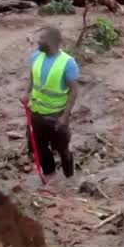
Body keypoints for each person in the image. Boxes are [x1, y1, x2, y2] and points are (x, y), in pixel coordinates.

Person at [23, 27, 80, 179]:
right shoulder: (36, 56)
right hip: (36, 112)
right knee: (40, 147)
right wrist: (26, 93)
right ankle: (50, 175)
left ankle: (69, 177)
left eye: (42, 38)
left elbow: (74, 91)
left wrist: (65, 116)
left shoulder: (68, 63)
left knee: (62, 149)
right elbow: (32, 78)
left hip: (56, 116)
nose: (38, 41)